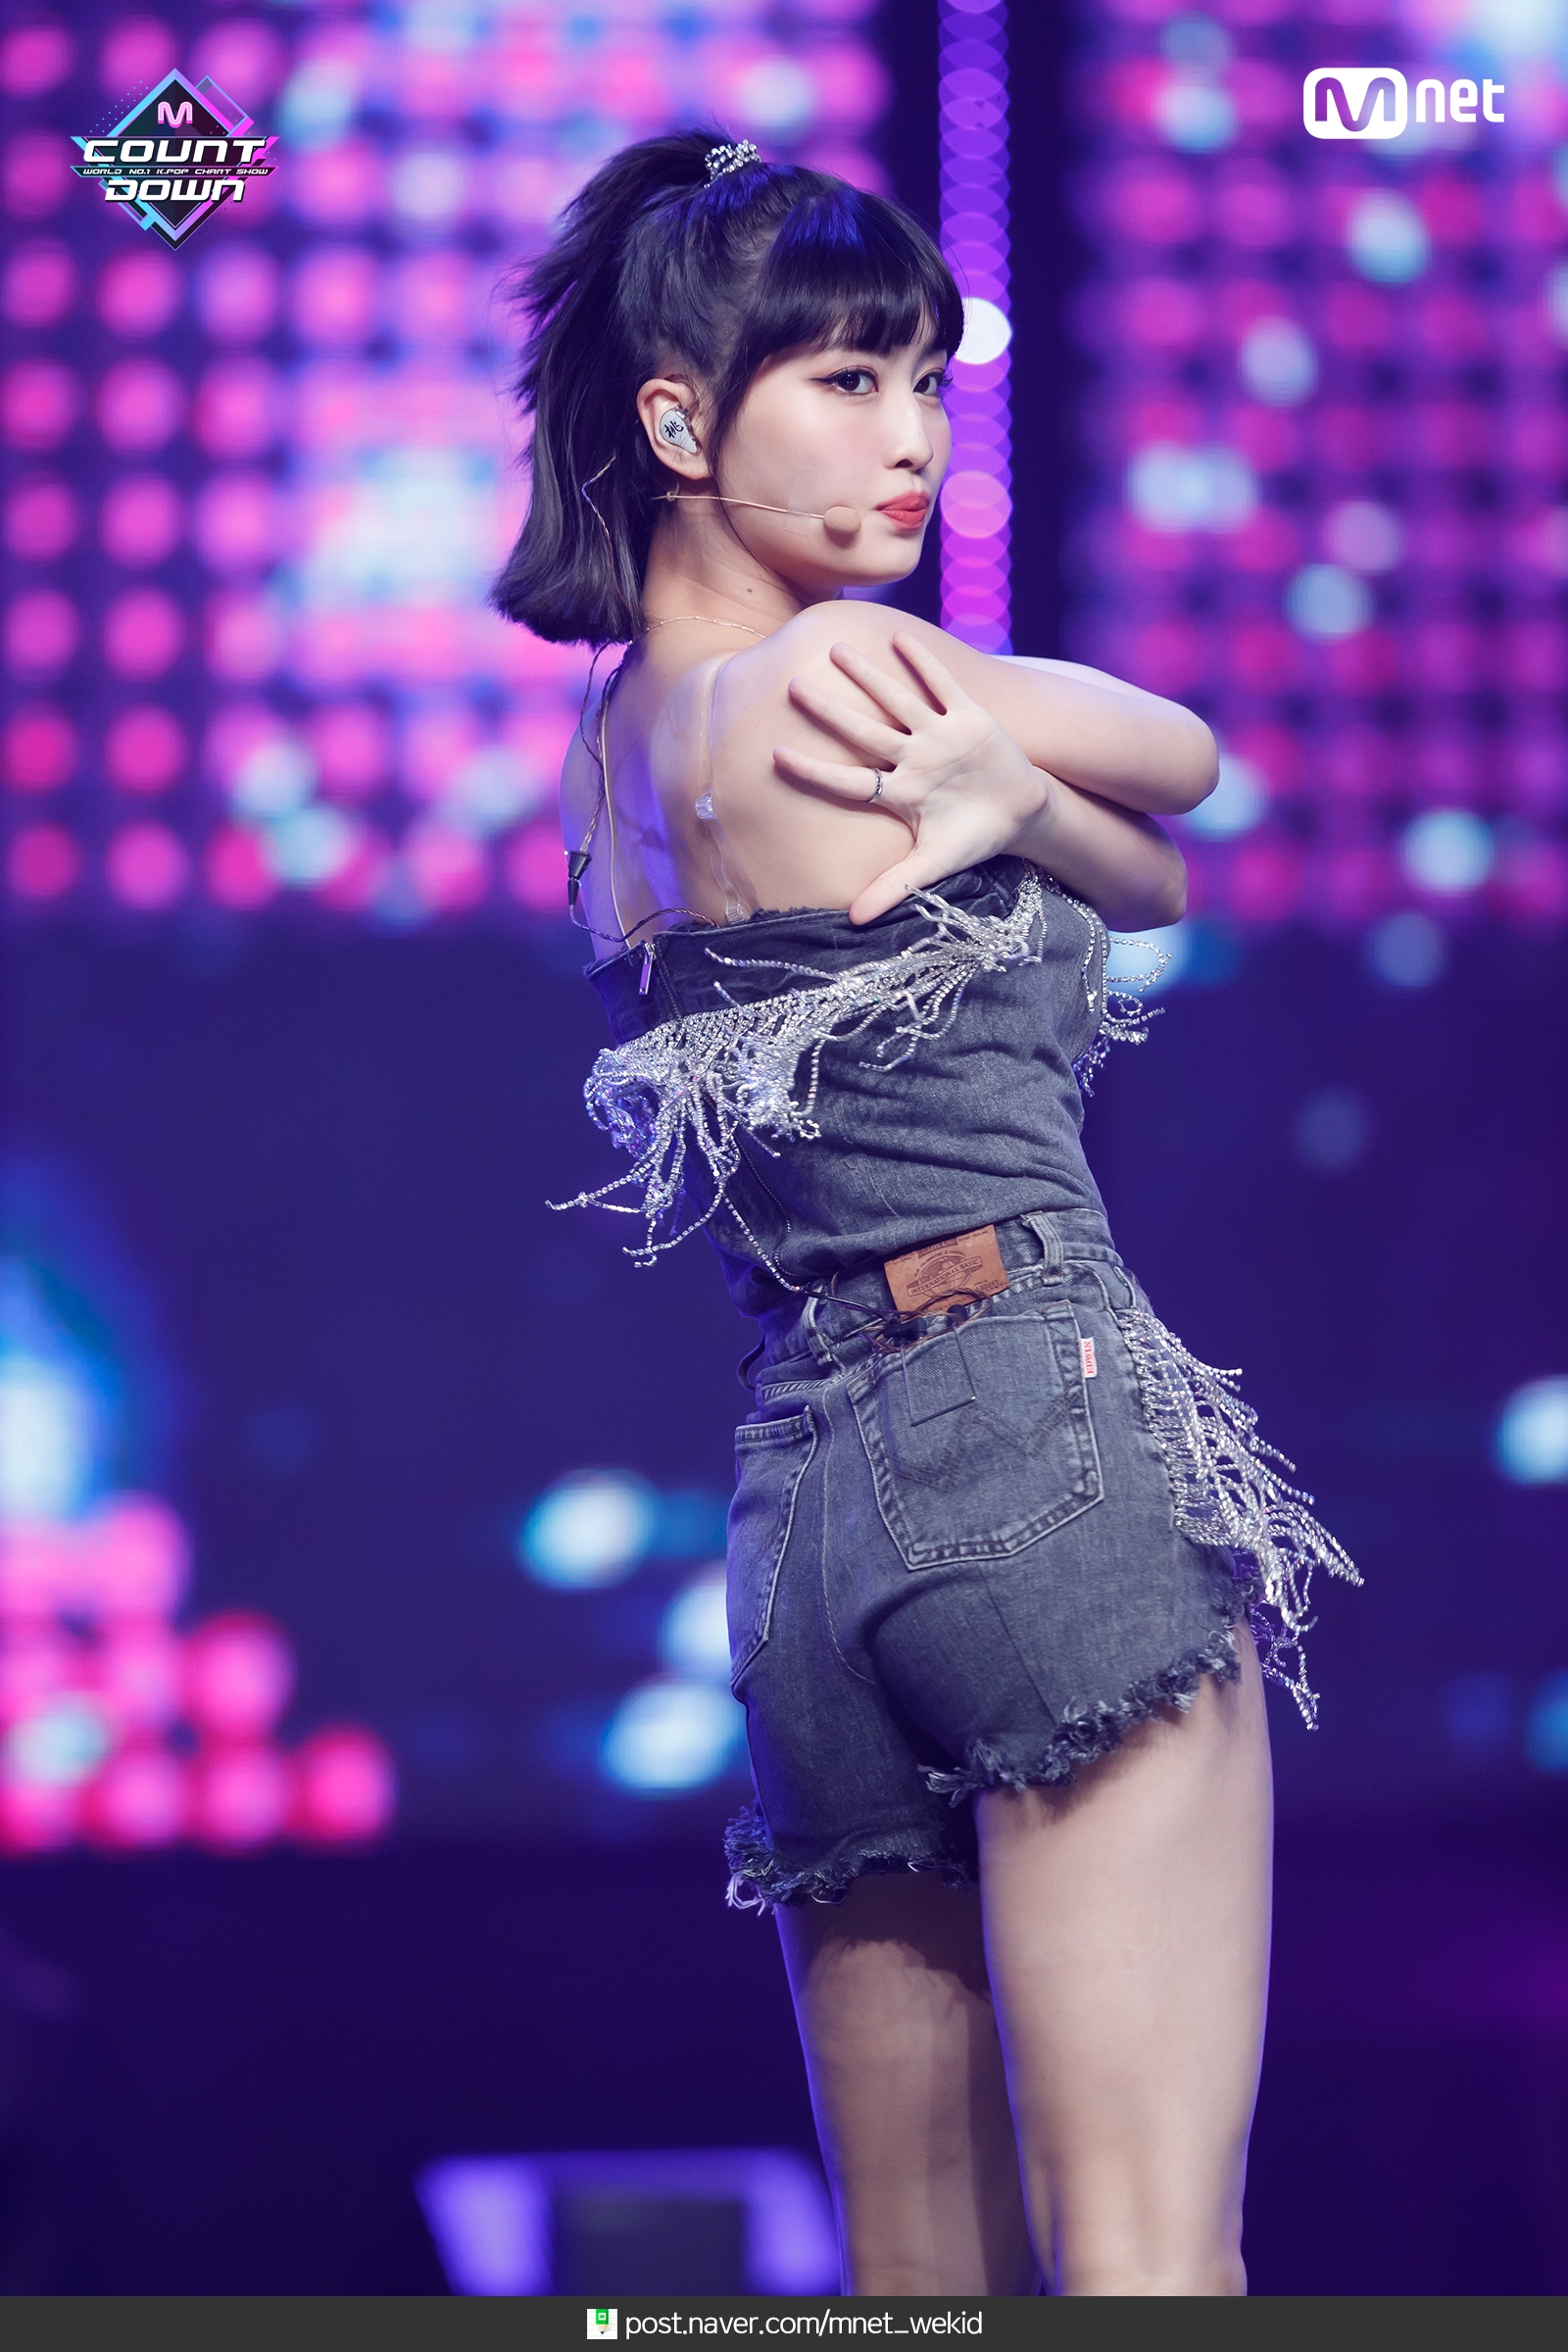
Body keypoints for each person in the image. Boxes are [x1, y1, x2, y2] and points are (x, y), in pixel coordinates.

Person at [494, 130, 1356, 2298]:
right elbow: (1187, 764)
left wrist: (1018, 803)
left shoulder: (608, 766)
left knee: (910, 2291)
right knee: (1149, 2255)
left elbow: (1133, 871)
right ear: (676, 423)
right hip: (1031, 1428)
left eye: (926, 382)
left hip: (807, 1508)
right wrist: (1022, 778)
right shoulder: (850, 675)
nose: (913, 441)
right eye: (847, 381)